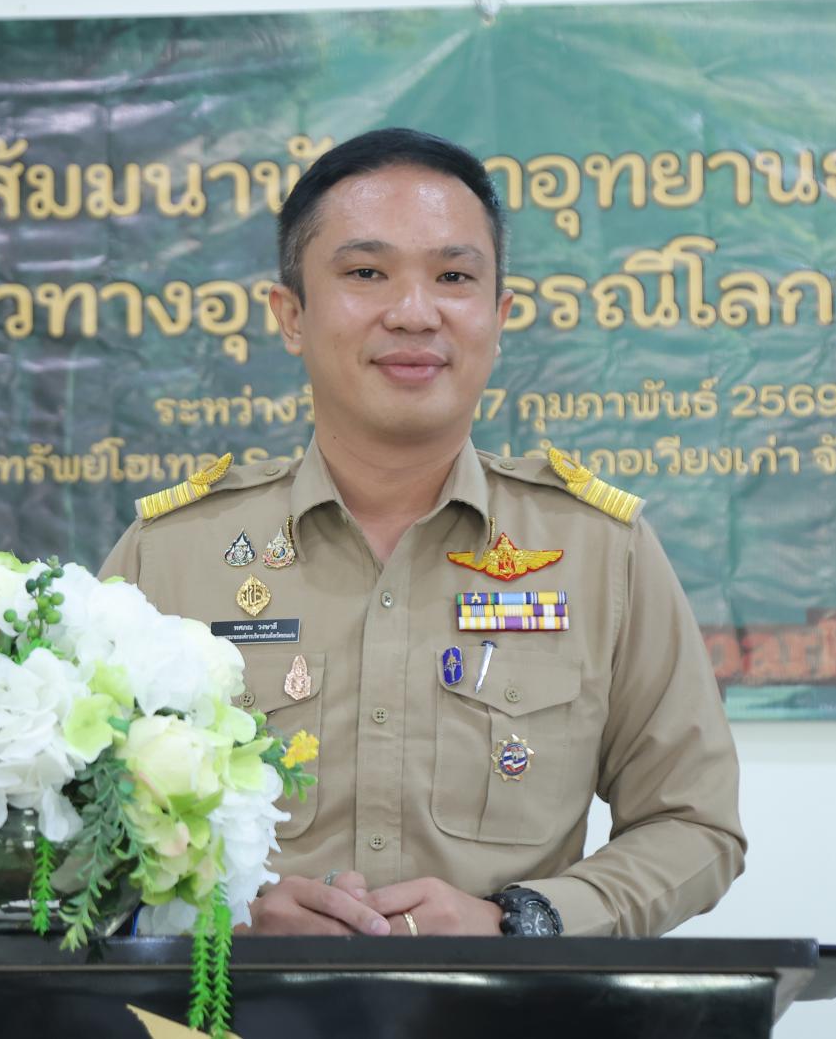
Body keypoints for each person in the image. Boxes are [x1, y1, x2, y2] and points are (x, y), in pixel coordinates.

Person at [99, 128, 744, 939]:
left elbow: (694, 825)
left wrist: (519, 922)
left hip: (501, 1004)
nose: (413, 313)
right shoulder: (170, 556)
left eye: (454, 277)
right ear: (291, 315)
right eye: (366, 274)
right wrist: (220, 916)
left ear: (499, 318)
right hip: (234, 1003)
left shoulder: (599, 553)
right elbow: (64, 827)